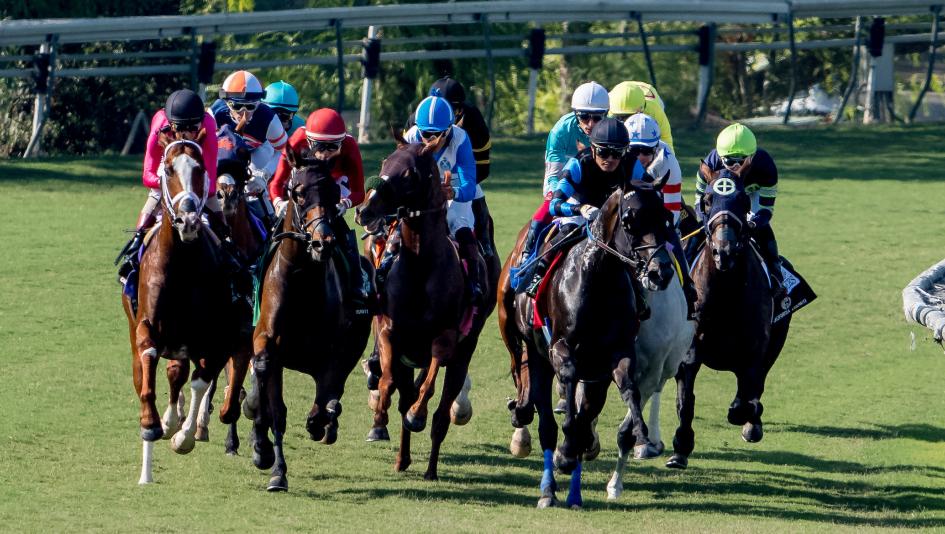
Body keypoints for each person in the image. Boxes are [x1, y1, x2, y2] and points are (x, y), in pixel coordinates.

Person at [523, 117, 645, 297]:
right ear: (593, 148)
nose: (610, 159)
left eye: (617, 153)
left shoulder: (632, 164)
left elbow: (651, 193)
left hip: (614, 215)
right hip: (579, 210)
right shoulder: (578, 164)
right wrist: (579, 209)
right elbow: (554, 205)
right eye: (604, 152)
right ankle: (539, 276)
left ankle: (641, 289)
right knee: (567, 232)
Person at [269, 108, 371, 316]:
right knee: (277, 231)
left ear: (342, 142)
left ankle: (357, 285)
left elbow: (359, 191)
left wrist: (345, 204)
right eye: (319, 147)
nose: (324, 154)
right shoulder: (297, 141)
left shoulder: (350, 146)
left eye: (332, 147)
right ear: (308, 141)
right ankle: (258, 277)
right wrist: (278, 203)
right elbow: (277, 183)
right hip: (305, 183)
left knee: (339, 229)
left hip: (335, 186)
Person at [116, 89, 222, 283]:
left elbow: (211, 182)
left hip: (198, 184)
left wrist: (190, 186)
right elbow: (147, 175)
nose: (186, 133)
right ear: (170, 124)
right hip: (166, 181)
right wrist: (171, 182)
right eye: (180, 127)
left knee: (222, 220)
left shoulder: (208, 125)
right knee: (147, 212)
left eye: (193, 127)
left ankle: (232, 257)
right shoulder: (160, 124)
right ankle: (132, 259)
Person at [402, 94, 484, 304]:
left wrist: (453, 193)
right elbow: (398, 173)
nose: (429, 140)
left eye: (435, 134)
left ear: (448, 130)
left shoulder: (461, 139)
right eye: (425, 133)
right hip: (420, 192)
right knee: (394, 228)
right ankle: (383, 269)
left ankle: (473, 282)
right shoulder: (411, 137)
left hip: (452, 189)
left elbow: (469, 183)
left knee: (460, 225)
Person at [519, 81, 611, 264]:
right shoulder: (560, 132)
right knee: (547, 206)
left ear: (607, 115)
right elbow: (553, 176)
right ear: (576, 114)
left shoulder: (614, 130)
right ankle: (527, 255)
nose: (590, 124)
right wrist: (559, 197)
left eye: (597, 118)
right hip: (567, 182)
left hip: (602, 185)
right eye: (584, 117)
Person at [696, 123, 784, 296]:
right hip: (720, 203)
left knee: (763, 229)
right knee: (696, 229)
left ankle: (775, 273)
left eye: (741, 160)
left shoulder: (766, 167)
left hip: (752, 197)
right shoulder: (709, 166)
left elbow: (765, 210)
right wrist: (707, 224)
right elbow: (699, 205)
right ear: (721, 158)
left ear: (751, 157)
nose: (735, 166)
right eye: (729, 160)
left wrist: (753, 223)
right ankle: (684, 273)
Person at [625, 113, 698, 319]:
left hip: (658, 212)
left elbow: (672, 216)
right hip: (629, 211)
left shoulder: (669, 164)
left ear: (656, 148)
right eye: (634, 150)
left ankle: (688, 290)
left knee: (672, 240)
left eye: (646, 151)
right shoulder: (620, 157)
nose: (639, 156)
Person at [209, 70, 287, 221]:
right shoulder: (215, 113)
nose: (244, 114)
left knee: (253, 187)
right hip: (223, 153)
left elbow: (284, 152)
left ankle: (270, 223)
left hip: (257, 150)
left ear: (259, 103)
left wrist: (264, 176)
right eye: (237, 106)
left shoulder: (268, 118)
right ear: (226, 102)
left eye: (250, 107)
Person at [609, 81, 674, 152]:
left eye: (629, 116)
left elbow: (666, 142)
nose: (626, 121)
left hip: (652, 97)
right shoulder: (608, 108)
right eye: (619, 117)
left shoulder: (655, 111)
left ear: (642, 111)